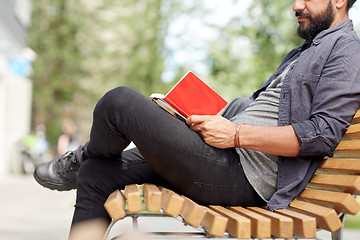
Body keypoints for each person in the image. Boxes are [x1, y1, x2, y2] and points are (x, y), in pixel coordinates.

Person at [34, 0, 360, 230]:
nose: (295, 5)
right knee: (97, 173)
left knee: (120, 102)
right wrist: (190, 114)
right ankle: (84, 162)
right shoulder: (305, 50)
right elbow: (266, 111)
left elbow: (321, 134)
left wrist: (235, 134)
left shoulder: (346, 49)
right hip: (225, 156)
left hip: (243, 175)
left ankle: (78, 158)